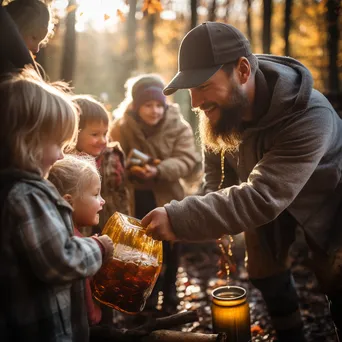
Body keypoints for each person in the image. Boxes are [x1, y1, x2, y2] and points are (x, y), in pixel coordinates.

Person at [141, 22, 342, 341]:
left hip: (327, 202)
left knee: (338, 280)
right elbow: (216, 176)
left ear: (243, 70)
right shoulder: (221, 108)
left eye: (203, 86)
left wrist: (181, 218)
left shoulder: (309, 115)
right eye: (190, 89)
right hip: (264, 196)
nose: (195, 102)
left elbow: (263, 196)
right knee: (265, 272)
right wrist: (207, 220)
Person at [0, 68, 114, 342]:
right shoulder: (26, 196)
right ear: (28, 142)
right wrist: (98, 247)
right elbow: (60, 260)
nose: (63, 154)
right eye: (57, 144)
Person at [110, 73, 202, 312]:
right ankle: (146, 292)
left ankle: (170, 292)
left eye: (158, 105)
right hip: (136, 197)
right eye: (147, 105)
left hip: (168, 195)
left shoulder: (178, 125)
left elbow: (187, 159)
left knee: (171, 247)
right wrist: (129, 171)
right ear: (136, 106)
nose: (154, 111)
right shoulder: (122, 126)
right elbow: (114, 157)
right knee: (142, 247)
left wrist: (159, 170)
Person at [48, 154, 106, 327]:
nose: (102, 201)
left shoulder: (57, 233)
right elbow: (85, 295)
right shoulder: (74, 243)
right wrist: (94, 314)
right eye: (96, 194)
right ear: (69, 202)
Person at [72, 94, 130, 231]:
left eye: (105, 134)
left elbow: (122, 196)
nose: (103, 140)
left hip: (111, 227)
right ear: (74, 133)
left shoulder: (112, 159)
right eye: (95, 135)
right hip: (81, 233)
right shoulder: (67, 164)